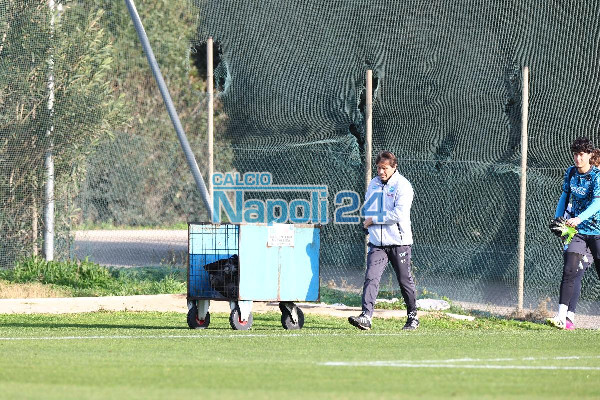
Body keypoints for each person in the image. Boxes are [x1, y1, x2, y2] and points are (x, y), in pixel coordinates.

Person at [348, 151, 418, 330]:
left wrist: (374, 220)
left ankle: (412, 317)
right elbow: (370, 208)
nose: (380, 172)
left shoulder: (403, 186)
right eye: (378, 168)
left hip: (399, 243)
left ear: (394, 167)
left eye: (384, 168)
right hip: (377, 244)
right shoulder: (373, 184)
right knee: (371, 277)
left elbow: (398, 215)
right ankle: (366, 316)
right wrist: (368, 225)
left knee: (404, 280)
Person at [547, 138, 600, 330]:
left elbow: (598, 202)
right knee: (570, 270)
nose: (578, 158)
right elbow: (565, 196)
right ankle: (563, 317)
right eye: (575, 154)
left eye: (582, 154)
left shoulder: (596, 176)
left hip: (597, 232)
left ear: (590, 155)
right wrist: (559, 218)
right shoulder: (570, 172)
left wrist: (579, 218)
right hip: (577, 232)